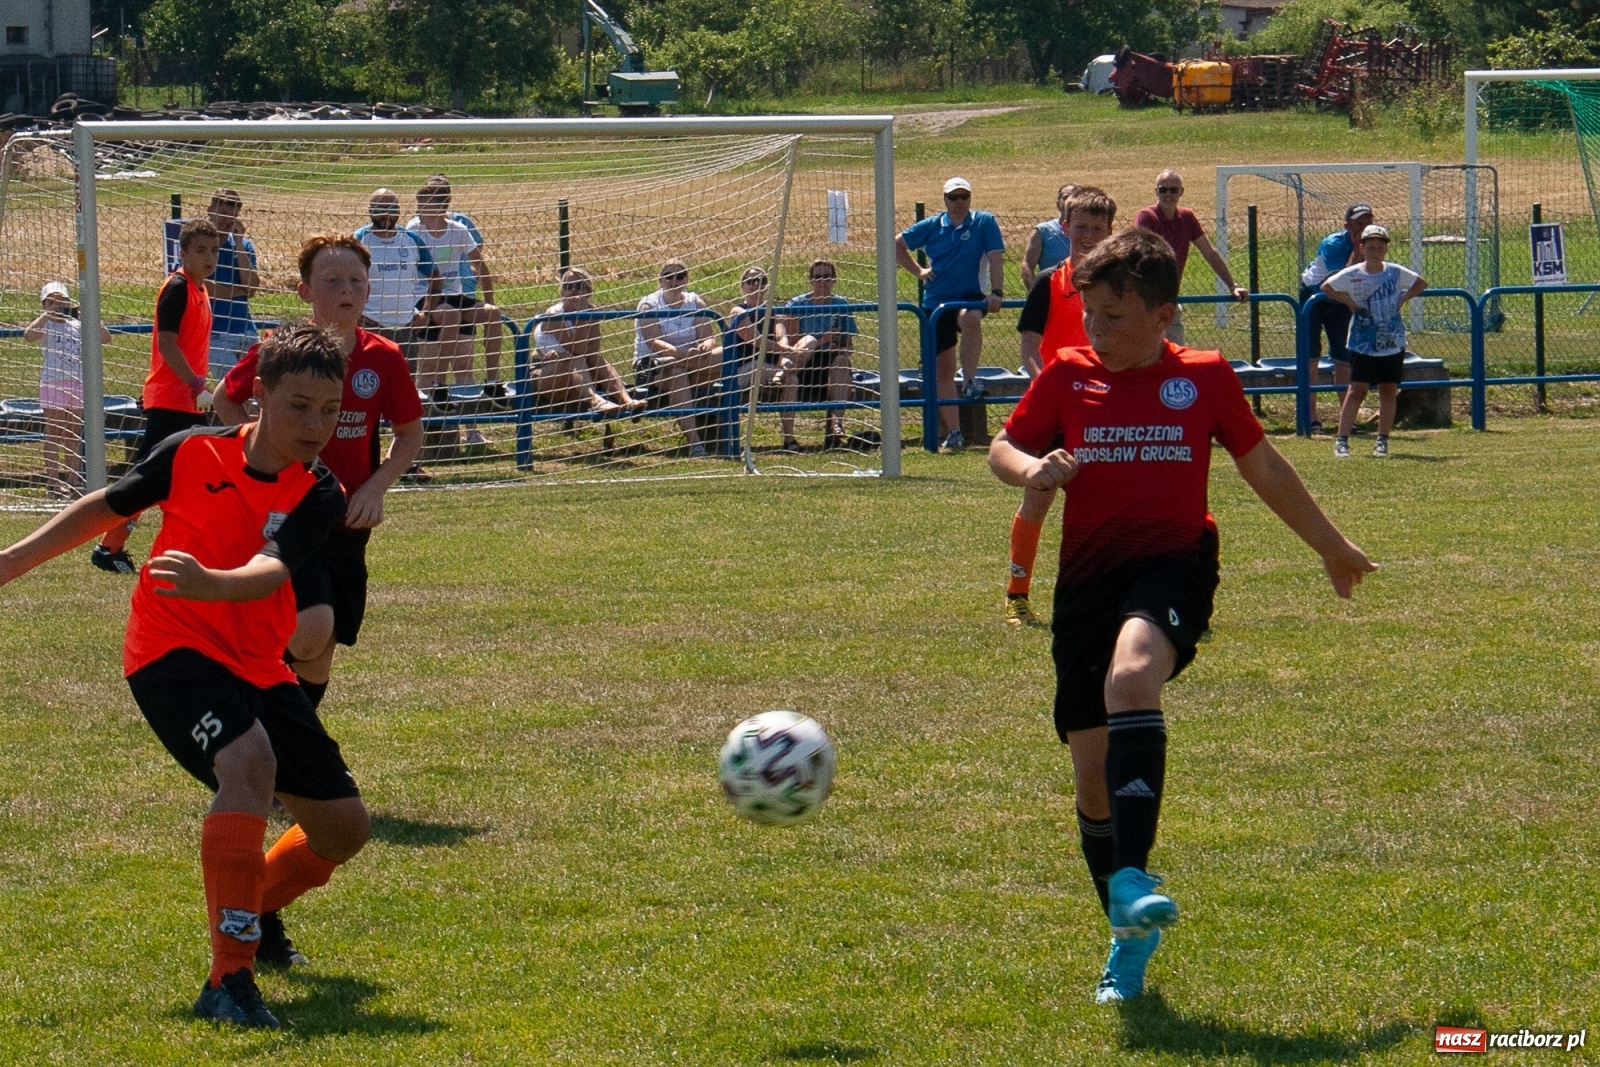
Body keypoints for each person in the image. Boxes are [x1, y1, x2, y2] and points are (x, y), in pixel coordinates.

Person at [987, 227, 1375, 1005]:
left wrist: (1331, 546)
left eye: (1115, 316)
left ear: (1164, 314)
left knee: (1133, 677)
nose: (1097, 330)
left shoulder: (1202, 377)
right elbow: (1003, 446)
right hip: (1087, 582)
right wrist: (1036, 467)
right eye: (1090, 313)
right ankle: (1126, 930)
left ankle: (1134, 878)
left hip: (1175, 565)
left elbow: (1262, 462)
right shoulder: (1067, 375)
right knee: (1092, 784)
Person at [0, 323, 367, 1029]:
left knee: (343, 829)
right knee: (248, 761)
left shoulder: (319, 490)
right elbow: (109, 506)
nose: (316, 425)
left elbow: (269, 573)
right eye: (299, 405)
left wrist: (211, 581)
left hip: (258, 664)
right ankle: (229, 976)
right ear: (258, 395)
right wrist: (12, 562)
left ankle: (249, 898)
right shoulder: (192, 451)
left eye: (329, 408)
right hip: (169, 649)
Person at [215, 231, 425, 756]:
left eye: (356, 280)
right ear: (305, 291)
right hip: (287, 516)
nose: (346, 290)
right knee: (311, 627)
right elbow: (226, 400)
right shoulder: (280, 352)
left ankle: (276, 752)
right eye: (331, 280)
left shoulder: (385, 357)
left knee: (319, 651)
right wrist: (263, 466)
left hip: (348, 521)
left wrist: (376, 486)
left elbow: (411, 432)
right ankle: (255, 714)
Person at [1004, 186, 1116, 628]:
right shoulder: (1051, 281)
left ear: (1110, 231)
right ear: (1064, 227)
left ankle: (1116, 595)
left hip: (1107, 408)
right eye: (1080, 227)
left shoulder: (1122, 283)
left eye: (1097, 228)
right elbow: (1028, 343)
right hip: (1059, 411)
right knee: (1039, 497)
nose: (1087, 235)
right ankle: (1017, 594)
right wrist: (1046, 386)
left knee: (1113, 506)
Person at [91, 218, 220, 574]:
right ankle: (107, 547)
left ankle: (180, 545)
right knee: (147, 478)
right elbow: (166, 342)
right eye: (200, 250)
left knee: (183, 476)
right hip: (171, 398)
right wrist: (196, 384)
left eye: (214, 251)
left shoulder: (200, 290)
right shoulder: (177, 287)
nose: (209, 258)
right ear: (182, 253)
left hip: (187, 400)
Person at [895, 176, 1006, 453]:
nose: (959, 202)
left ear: (970, 198)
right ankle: (954, 432)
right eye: (953, 197)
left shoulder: (983, 222)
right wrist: (919, 271)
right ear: (944, 200)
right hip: (936, 302)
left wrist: (997, 291)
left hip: (969, 295)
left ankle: (969, 380)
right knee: (942, 369)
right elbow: (896, 244)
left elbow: (995, 257)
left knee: (970, 317)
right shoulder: (933, 225)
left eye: (963, 197)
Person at [1322, 224, 1426, 459]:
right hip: (1362, 341)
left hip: (1391, 340)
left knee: (1388, 389)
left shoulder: (1395, 272)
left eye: (1380, 247)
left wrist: (1402, 299)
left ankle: (1382, 440)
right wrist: (1347, 301)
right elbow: (1327, 287)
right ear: (1362, 248)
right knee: (1357, 389)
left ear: (1386, 250)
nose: (1375, 251)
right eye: (1371, 247)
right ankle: (1342, 439)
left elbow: (1420, 283)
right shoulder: (1354, 274)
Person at [356, 188, 437, 482]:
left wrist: (423, 310)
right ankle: (362, 462)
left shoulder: (411, 240)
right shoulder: (360, 240)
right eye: (379, 206)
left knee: (403, 400)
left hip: (404, 330)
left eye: (391, 206)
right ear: (370, 211)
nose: (385, 212)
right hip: (369, 328)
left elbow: (434, 277)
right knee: (364, 396)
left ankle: (406, 465)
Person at [407, 179, 501, 433]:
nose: (419, 210)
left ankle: (492, 382)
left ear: (442, 207)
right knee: (429, 359)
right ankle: (437, 387)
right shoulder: (414, 230)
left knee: (493, 317)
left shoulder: (458, 229)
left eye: (425, 204)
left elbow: (481, 267)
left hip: (455, 296)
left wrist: (489, 301)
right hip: (426, 297)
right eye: (419, 204)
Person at [1133, 169, 1248, 344]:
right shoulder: (1147, 217)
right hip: (1146, 301)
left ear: (1181, 192)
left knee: (1176, 355)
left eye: (1173, 189)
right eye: (1163, 189)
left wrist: (1233, 286)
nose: (1168, 194)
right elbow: (1141, 256)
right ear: (1156, 192)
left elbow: (1209, 252)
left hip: (1169, 300)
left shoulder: (1187, 217)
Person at [24, 281, 110, 499]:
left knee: (73, 433)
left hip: (78, 383)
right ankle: (53, 481)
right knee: (54, 432)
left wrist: (89, 317)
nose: (57, 306)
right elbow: (29, 335)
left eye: (61, 301)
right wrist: (46, 315)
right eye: (51, 301)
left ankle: (74, 479)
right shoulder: (46, 326)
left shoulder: (77, 324)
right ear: (44, 304)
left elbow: (106, 338)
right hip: (53, 383)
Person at [633, 258, 721, 458]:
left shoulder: (695, 302)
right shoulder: (649, 305)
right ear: (660, 280)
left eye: (679, 276)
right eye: (668, 276)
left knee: (726, 354)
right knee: (678, 374)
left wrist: (705, 346)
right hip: (652, 367)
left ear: (687, 278)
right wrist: (682, 355)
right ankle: (696, 444)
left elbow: (708, 337)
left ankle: (724, 434)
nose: (674, 281)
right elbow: (653, 342)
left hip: (691, 362)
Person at [1300, 203, 1374, 431]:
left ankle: (1347, 418)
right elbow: (1339, 280)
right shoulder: (1333, 243)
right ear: (1347, 226)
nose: (1364, 229)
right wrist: (1356, 249)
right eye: (1358, 224)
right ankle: (1311, 418)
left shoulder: (1374, 245)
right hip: (1315, 297)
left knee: (1343, 358)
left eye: (1368, 223)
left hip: (1343, 300)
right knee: (1311, 356)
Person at [532, 267, 641, 416]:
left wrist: (584, 314)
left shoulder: (591, 311)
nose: (573, 291)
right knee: (576, 358)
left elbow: (594, 347)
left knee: (595, 358)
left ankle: (627, 401)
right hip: (546, 374)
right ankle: (595, 401)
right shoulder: (554, 314)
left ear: (588, 292)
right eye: (568, 287)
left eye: (579, 286)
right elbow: (577, 349)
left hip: (578, 373)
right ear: (561, 292)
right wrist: (583, 316)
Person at [778, 258, 856, 451]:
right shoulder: (798, 304)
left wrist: (839, 348)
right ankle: (790, 439)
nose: (823, 281)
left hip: (829, 360)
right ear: (811, 281)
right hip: (804, 361)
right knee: (810, 340)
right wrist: (823, 340)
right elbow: (793, 344)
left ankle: (836, 425)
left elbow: (850, 346)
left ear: (834, 279)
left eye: (827, 277)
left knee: (841, 361)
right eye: (818, 277)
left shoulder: (841, 305)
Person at [206, 188, 261, 382]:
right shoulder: (201, 246)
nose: (228, 220)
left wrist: (237, 242)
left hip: (246, 330)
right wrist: (239, 290)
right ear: (210, 210)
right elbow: (206, 288)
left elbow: (252, 287)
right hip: (217, 335)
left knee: (259, 390)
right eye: (224, 213)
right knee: (231, 392)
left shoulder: (244, 247)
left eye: (234, 215)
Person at [1020, 183, 1078, 292]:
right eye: (1066, 197)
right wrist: (1036, 293)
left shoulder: (1089, 231)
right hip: (1052, 293)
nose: (1070, 201)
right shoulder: (1043, 231)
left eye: (1075, 197)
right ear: (1058, 204)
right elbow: (1027, 264)